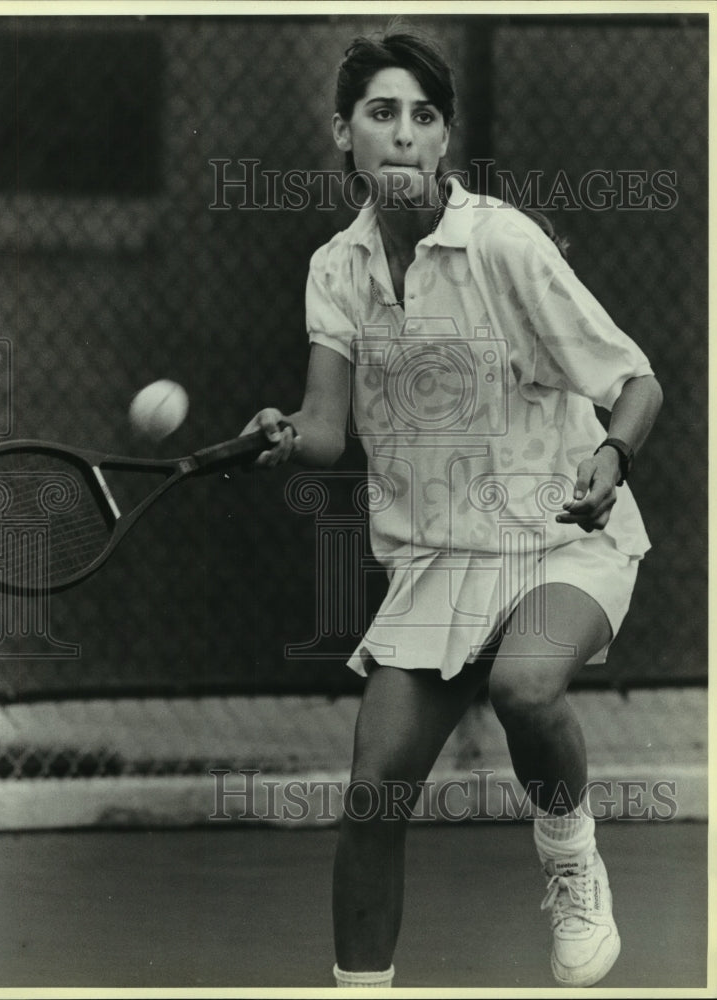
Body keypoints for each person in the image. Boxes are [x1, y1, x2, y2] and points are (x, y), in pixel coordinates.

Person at [242, 23, 663, 989]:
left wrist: (612, 455)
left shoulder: (505, 246)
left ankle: (570, 855)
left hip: (562, 534)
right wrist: (277, 436)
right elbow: (324, 428)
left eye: (422, 117)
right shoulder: (337, 270)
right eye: (380, 114)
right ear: (344, 132)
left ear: (444, 143)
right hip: (437, 557)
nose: (402, 134)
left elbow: (636, 380)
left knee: (525, 685)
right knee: (374, 791)